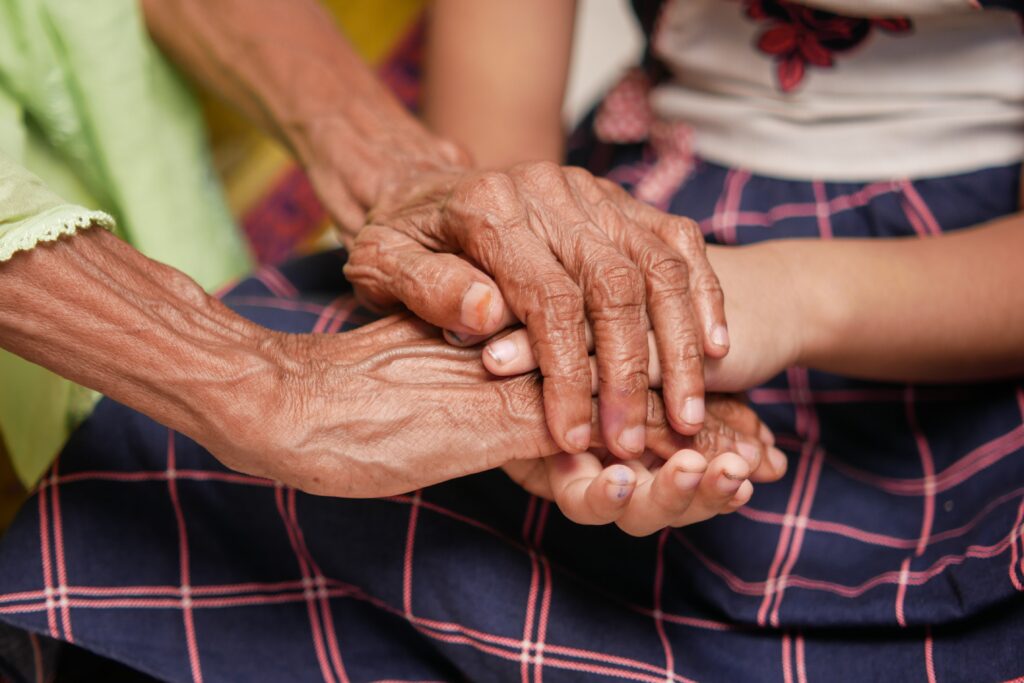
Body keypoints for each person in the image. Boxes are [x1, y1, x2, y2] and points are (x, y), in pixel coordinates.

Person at [3, 0, 1021, 680]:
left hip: (944, 282)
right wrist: (515, 294)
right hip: (637, 202)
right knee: (181, 478)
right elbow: (498, 139)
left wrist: (782, 297)